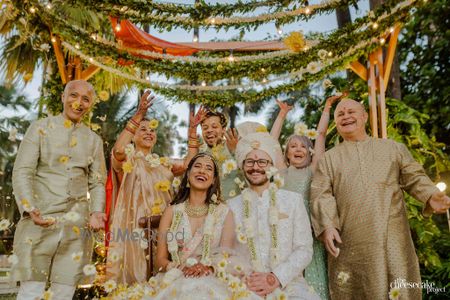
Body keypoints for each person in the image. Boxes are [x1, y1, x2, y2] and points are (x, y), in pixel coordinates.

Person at [310, 98, 450, 299]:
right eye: (340, 114)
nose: (346, 116)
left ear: (364, 117)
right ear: (336, 123)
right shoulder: (329, 159)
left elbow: (414, 176)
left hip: (392, 234)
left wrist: (429, 194)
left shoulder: (393, 148)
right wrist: (328, 226)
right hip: (350, 241)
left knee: (399, 287)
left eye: (351, 112)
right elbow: (320, 193)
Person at [106, 153, 257, 299]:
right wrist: (181, 268)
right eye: (197, 166)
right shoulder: (171, 212)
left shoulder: (224, 213)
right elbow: (160, 261)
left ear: (213, 180)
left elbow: (226, 255)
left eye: (208, 168)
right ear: (188, 175)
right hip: (176, 276)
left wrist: (208, 268)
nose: (202, 171)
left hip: (211, 277)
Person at [11, 80, 106, 300]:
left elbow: (97, 181)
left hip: (76, 225)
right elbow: (23, 171)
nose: (78, 102)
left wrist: (96, 212)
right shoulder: (40, 128)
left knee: (64, 291)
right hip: (39, 218)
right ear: (63, 97)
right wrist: (29, 207)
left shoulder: (93, 140)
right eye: (73, 95)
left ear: (90, 104)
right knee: (31, 291)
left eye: (85, 99)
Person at [106, 90, 200, 284]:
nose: (149, 132)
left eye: (152, 129)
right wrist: (137, 117)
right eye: (143, 129)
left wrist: (192, 136)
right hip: (134, 227)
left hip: (164, 228)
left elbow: (189, 165)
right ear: (133, 135)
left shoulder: (162, 163)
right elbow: (118, 150)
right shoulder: (127, 159)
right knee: (137, 274)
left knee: (164, 273)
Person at [228, 131, 320, 299]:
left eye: (262, 161)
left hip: (288, 284)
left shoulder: (293, 201)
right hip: (245, 284)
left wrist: (276, 277)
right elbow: (226, 250)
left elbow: (304, 249)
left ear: (271, 166)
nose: (255, 167)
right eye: (250, 161)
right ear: (242, 166)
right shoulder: (231, 206)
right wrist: (247, 278)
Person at [270, 95, 344, 299]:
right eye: (293, 146)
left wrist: (328, 107)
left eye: (303, 146)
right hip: (284, 231)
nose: (298, 149)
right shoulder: (281, 172)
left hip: (310, 229)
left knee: (312, 273)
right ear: (286, 154)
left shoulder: (313, 170)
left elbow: (320, 135)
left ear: (310, 153)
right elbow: (271, 141)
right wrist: (282, 114)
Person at [190, 108, 245, 200]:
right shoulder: (199, 154)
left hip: (235, 208)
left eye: (214, 126)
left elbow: (252, 173)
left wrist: (235, 152)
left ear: (223, 130)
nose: (209, 130)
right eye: (205, 128)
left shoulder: (236, 146)